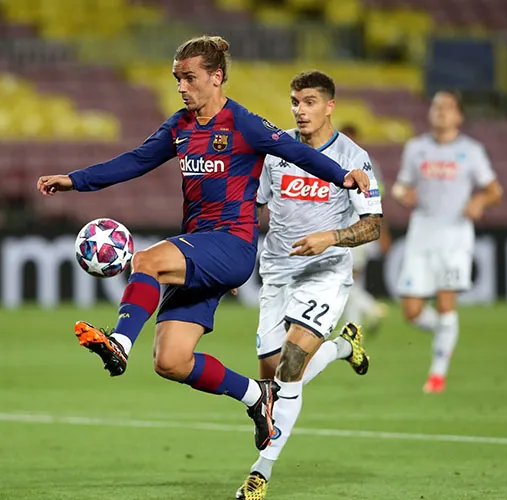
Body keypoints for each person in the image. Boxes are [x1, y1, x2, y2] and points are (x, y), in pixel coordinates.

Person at [36, 36, 370, 452]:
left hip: (231, 243)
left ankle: (120, 343)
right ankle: (256, 396)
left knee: (146, 259)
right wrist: (75, 180)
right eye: (177, 78)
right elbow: (135, 161)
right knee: (170, 360)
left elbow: (294, 152)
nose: (181, 86)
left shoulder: (243, 123)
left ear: (216, 77)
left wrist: (342, 175)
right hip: (201, 249)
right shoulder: (179, 126)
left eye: (189, 78)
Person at [235, 71, 381, 500]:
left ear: (330, 105)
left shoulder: (354, 157)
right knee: (270, 382)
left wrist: (329, 239)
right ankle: (342, 347)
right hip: (277, 270)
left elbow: (372, 225)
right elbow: (253, 205)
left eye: (310, 101)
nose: (300, 109)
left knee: (291, 365)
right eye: (296, 101)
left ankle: (260, 474)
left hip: (326, 271)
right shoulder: (277, 151)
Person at [392, 90, 502, 394]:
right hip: (422, 232)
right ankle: (446, 333)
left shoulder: (471, 151)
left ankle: (437, 374)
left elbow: (494, 190)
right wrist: (403, 194)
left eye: (448, 107)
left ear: (459, 116)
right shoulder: (416, 148)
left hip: (455, 235)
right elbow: (401, 186)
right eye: (436, 106)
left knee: (445, 302)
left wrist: (479, 200)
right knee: (411, 311)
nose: (441, 112)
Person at [339, 123, 392, 334]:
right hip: (342, 229)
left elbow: (376, 203)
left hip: (357, 230)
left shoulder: (368, 166)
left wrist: (383, 232)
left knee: (344, 280)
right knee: (351, 282)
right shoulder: (332, 163)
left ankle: (371, 308)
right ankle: (352, 332)